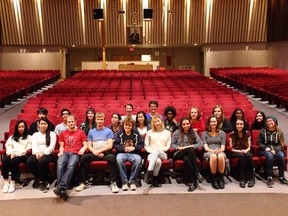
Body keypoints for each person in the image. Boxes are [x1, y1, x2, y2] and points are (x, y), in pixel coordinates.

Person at [75, 112, 119, 193]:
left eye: (101, 119)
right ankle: (83, 182)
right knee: (84, 158)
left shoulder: (108, 131)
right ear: (95, 120)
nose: (100, 121)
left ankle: (113, 182)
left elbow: (110, 145)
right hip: (94, 152)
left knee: (112, 158)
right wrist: (95, 152)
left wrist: (99, 151)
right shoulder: (91, 131)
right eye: (98, 119)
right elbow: (89, 145)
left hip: (105, 152)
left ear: (104, 120)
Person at [53, 115, 86, 199]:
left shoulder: (81, 132)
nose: (71, 123)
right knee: (60, 164)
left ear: (75, 122)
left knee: (71, 165)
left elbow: (85, 144)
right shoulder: (63, 133)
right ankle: (62, 189)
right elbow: (61, 145)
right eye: (69, 122)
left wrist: (83, 149)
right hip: (65, 152)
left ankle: (61, 186)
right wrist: (60, 151)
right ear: (66, 123)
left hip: (75, 153)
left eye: (72, 121)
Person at [171, 117, 204, 192]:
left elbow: (201, 144)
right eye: (184, 124)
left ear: (190, 124)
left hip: (189, 155)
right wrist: (179, 148)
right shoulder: (176, 132)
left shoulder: (193, 132)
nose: (186, 125)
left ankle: (194, 182)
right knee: (190, 149)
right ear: (181, 125)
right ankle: (197, 172)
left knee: (186, 159)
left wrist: (189, 146)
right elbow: (172, 145)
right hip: (178, 154)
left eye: (187, 124)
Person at [26, 117, 57, 192]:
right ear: (38, 125)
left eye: (45, 124)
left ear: (48, 125)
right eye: (41, 124)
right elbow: (34, 145)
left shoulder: (52, 134)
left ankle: (42, 181)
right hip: (37, 153)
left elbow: (52, 147)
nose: (43, 125)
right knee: (29, 162)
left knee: (42, 161)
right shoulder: (35, 134)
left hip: (48, 153)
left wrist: (43, 153)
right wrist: (36, 152)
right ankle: (42, 177)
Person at [114, 117, 144, 191]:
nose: (127, 127)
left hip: (134, 153)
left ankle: (132, 181)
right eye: (126, 125)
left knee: (138, 160)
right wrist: (123, 148)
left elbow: (142, 144)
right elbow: (115, 145)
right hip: (122, 153)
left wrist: (134, 147)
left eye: (129, 125)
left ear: (132, 126)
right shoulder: (119, 133)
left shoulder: (136, 133)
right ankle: (124, 182)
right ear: (123, 125)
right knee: (119, 159)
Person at [257, 116, 288, 188]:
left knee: (281, 156)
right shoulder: (262, 131)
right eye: (267, 121)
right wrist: (265, 148)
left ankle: (281, 177)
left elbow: (281, 144)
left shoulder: (279, 131)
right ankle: (269, 177)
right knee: (270, 156)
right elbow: (259, 142)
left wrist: (275, 150)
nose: (269, 123)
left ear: (275, 122)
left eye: (271, 121)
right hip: (265, 150)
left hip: (276, 149)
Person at [2, 120, 32, 193]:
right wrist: (11, 153)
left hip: (23, 155)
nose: (21, 128)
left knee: (14, 160)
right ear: (17, 128)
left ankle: (13, 181)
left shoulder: (29, 137)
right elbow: (8, 146)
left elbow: (28, 149)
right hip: (12, 154)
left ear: (25, 128)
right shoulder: (12, 137)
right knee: (5, 160)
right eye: (19, 127)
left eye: (22, 127)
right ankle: (6, 181)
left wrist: (16, 154)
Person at [144, 114, 171, 187]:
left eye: (158, 121)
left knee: (157, 151)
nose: (157, 123)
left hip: (163, 154)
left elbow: (167, 147)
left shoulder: (167, 133)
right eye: (155, 122)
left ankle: (149, 171)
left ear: (161, 121)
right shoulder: (149, 132)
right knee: (158, 161)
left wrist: (158, 150)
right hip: (151, 154)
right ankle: (155, 178)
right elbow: (146, 146)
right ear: (153, 123)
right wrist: (154, 152)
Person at [202, 115, 226, 190]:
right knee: (213, 156)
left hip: (220, 151)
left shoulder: (222, 133)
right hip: (209, 152)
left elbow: (223, 148)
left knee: (220, 156)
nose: (213, 123)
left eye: (214, 121)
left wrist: (218, 151)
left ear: (217, 122)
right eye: (211, 122)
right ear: (209, 123)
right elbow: (206, 148)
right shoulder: (204, 134)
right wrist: (213, 151)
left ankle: (220, 178)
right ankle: (214, 179)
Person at [229, 118, 255, 188]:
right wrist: (239, 151)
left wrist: (246, 150)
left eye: (241, 124)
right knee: (241, 156)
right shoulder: (232, 134)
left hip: (245, 150)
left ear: (244, 125)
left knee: (249, 155)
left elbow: (249, 146)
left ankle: (251, 177)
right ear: (235, 125)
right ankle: (242, 177)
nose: (239, 126)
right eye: (238, 124)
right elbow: (231, 148)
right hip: (235, 151)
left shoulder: (247, 133)